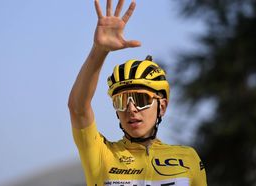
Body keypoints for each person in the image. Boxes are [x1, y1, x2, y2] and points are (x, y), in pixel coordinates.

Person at [68, 0, 207, 185]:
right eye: (122, 100)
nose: (131, 109)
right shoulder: (102, 155)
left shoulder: (188, 158)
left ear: (162, 106)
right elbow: (78, 108)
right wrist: (99, 51)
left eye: (141, 99)